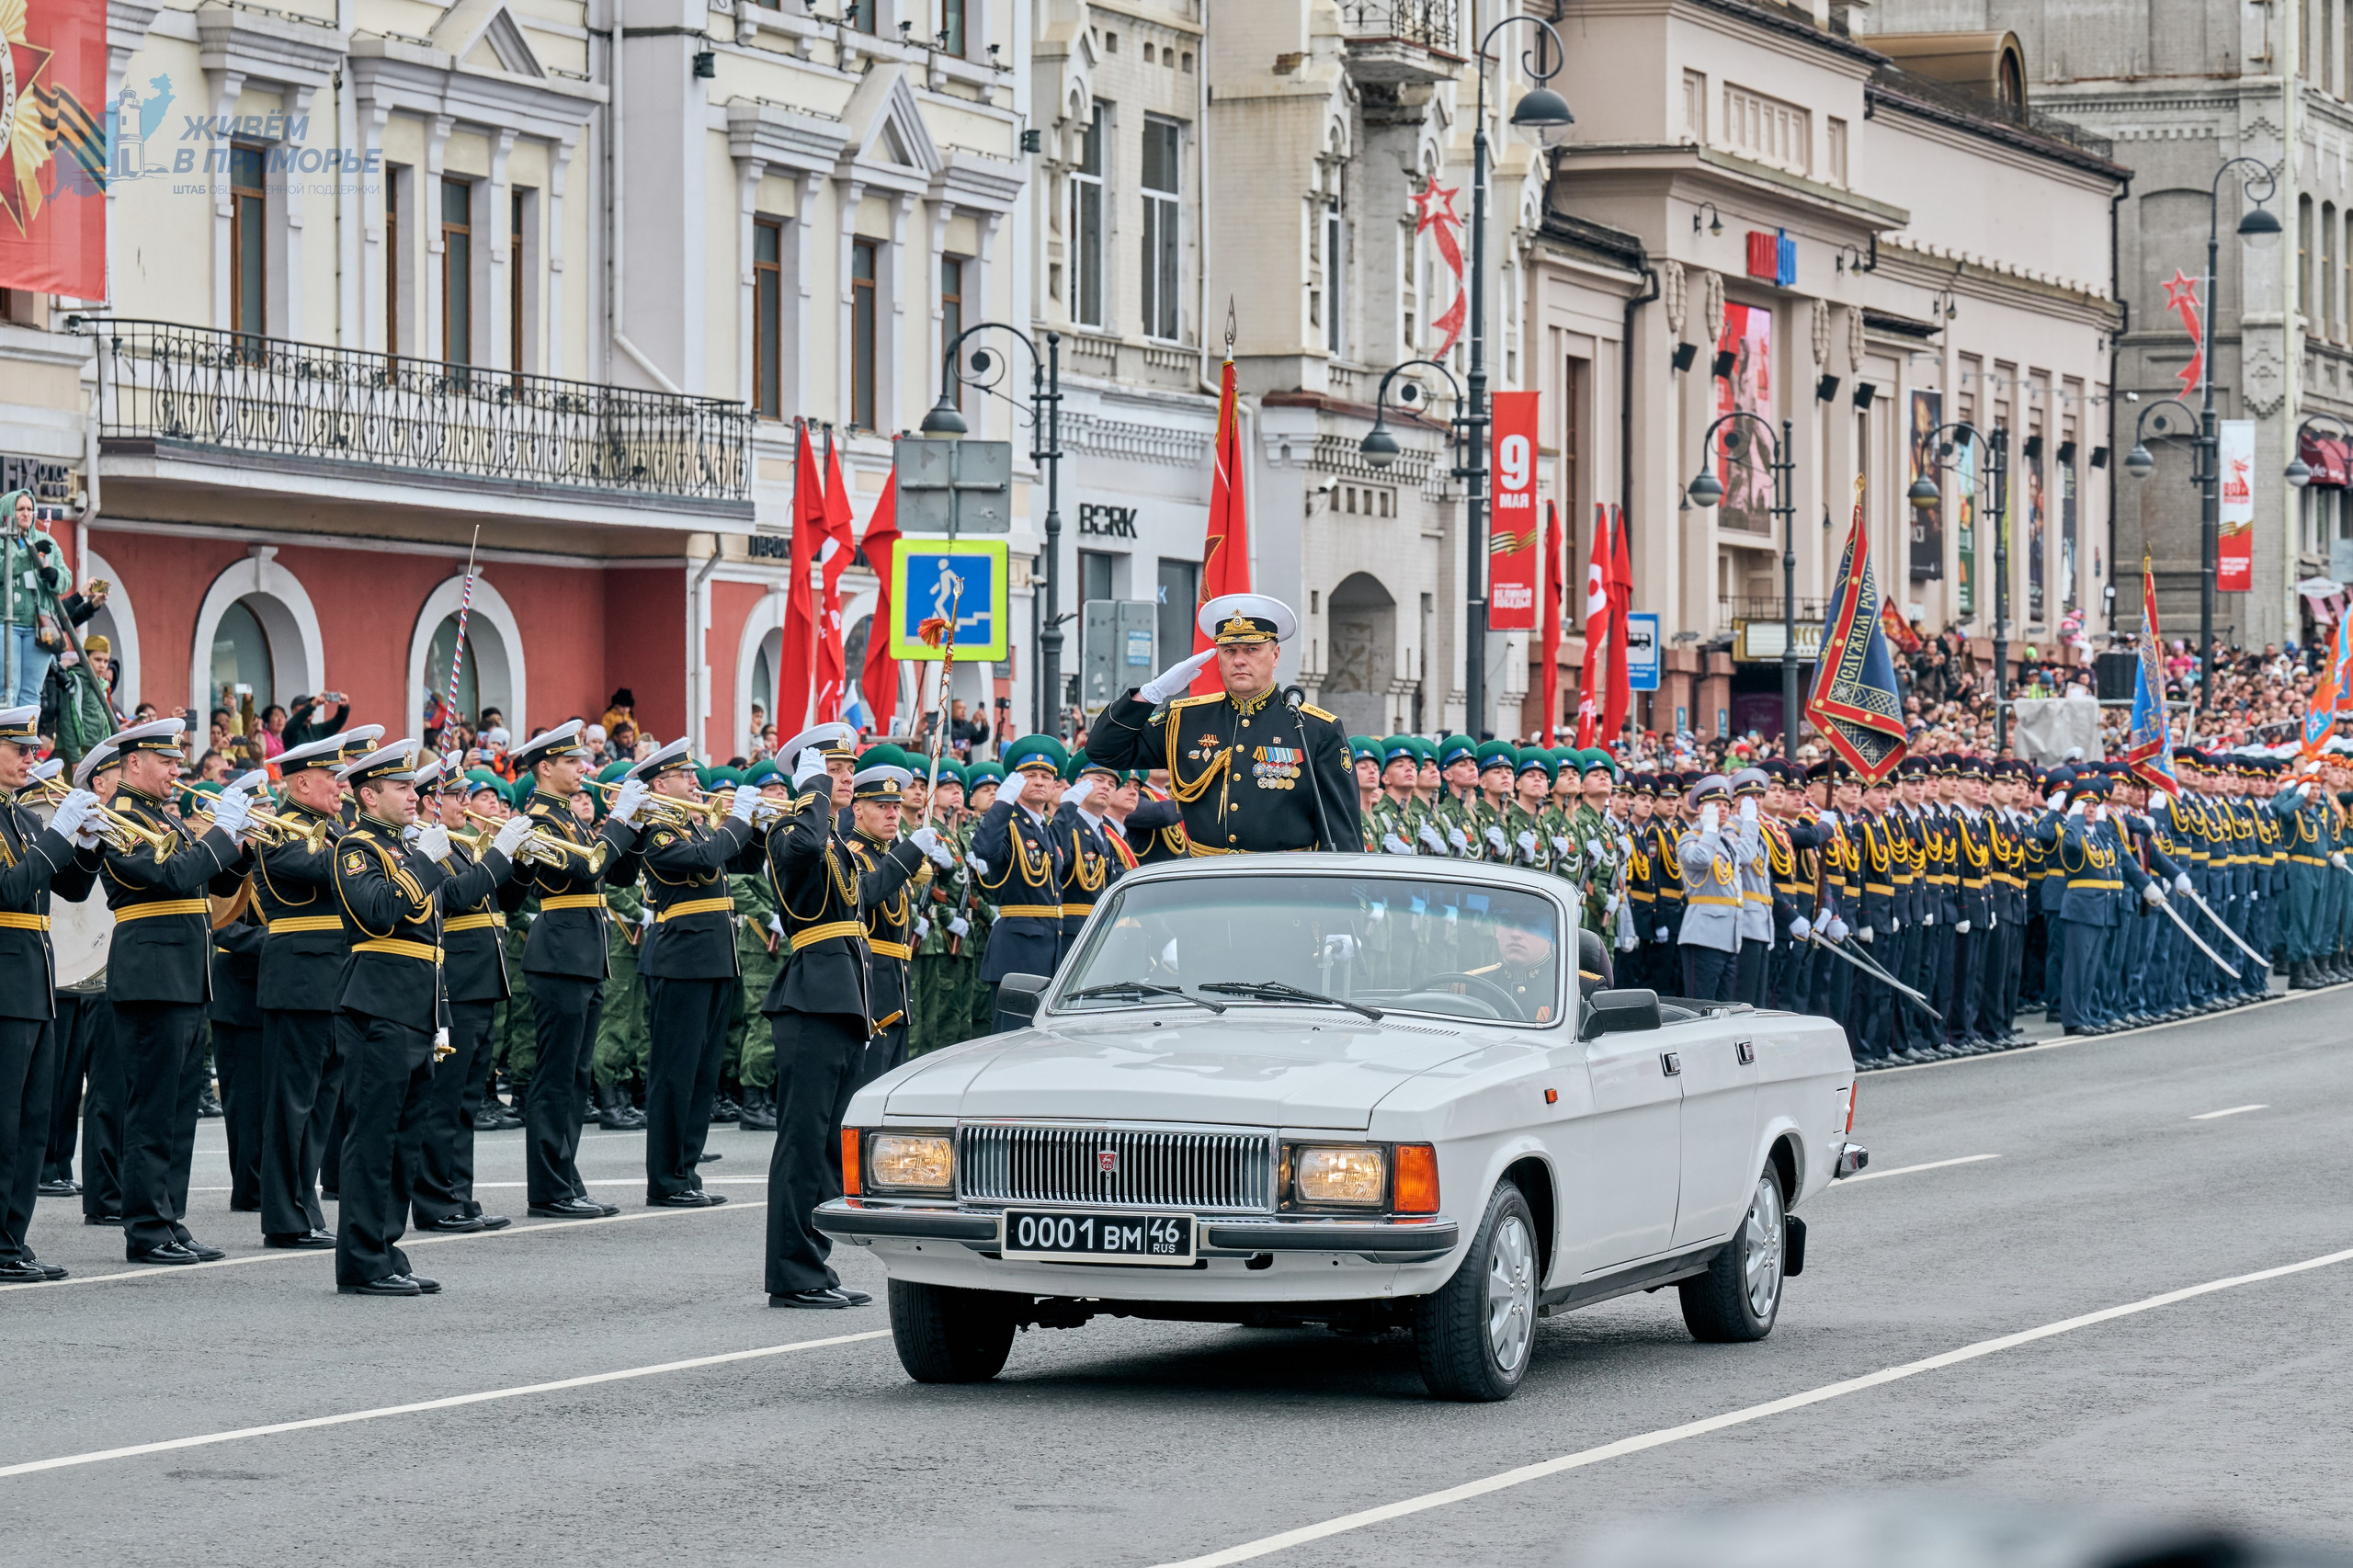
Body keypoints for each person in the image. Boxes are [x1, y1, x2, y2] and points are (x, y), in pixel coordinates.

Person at [759, 722, 922, 1310]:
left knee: (828, 1145)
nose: (846, 778)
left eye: (849, 769)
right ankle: (791, 1274)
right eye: (834, 769)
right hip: (812, 996)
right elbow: (802, 852)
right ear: (808, 775)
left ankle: (814, 1266)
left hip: (844, 996)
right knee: (802, 1143)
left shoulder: (832, 840)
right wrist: (809, 794)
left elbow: (865, 897)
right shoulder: (793, 830)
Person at [96, 719, 259, 1266]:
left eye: (176, 761)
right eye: (165, 761)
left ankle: (168, 1218)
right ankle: (145, 1227)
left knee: (178, 1109)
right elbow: (169, 877)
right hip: (152, 977)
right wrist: (219, 835)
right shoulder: (120, 816)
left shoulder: (163, 817)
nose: (175, 770)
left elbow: (211, 884)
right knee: (151, 1108)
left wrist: (240, 846)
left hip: (184, 976)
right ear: (133, 763)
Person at [1085, 594, 1359, 855]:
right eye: (1229, 651)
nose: (1239, 660)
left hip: (1281, 878)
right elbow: (1103, 750)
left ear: (1275, 655)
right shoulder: (1186, 719)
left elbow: (1342, 834)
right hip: (1205, 876)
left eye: (1252, 649)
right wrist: (1150, 694)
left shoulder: (1314, 728)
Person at [327, 741, 455, 1296]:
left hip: (415, 1003)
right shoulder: (355, 848)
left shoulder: (404, 848)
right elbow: (377, 914)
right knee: (373, 1137)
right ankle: (361, 1261)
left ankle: (385, 1249)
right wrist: (424, 863)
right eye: (401, 788)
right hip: (377, 1003)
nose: (414, 796)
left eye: (413, 787)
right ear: (368, 796)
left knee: (403, 1141)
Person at [509, 721, 650, 1219]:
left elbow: (619, 873)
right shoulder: (539, 821)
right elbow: (585, 867)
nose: (581, 769)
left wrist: (635, 827)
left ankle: (566, 1179)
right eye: (571, 762)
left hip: (584, 955)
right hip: (559, 955)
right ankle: (549, 1188)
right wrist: (618, 822)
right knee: (555, 1075)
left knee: (575, 1075)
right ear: (545, 768)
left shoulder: (569, 816)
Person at [252, 727, 381, 1250]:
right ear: (302, 783)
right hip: (298, 975)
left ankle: (306, 1207)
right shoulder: (279, 828)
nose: (343, 787)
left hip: (334, 975)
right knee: (291, 1105)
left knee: (323, 1105)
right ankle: (285, 1216)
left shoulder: (334, 831)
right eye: (333, 777)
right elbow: (326, 870)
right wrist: (379, 850)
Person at [627, 736, 762, 1208]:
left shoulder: (698, 827)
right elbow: (704, 861)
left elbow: (746, 862)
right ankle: (665, 1179)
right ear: (660, 784)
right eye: (684, 775)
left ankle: (686, 1171)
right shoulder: (659, 832)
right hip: (681, 959)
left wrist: (757, 825)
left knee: (703, 1072)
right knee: (675, 1073)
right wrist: (737, 819)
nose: (694, 780)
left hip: (714, 958)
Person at [0, 707, 103, 1282]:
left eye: (31, 749)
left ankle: (12, 1240)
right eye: (18, 749)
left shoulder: (21, 817)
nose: (30, 758)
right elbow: (10, 889)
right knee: (3, 1123)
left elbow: (70, 887)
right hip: (4, 987)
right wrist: (59, 836)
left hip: (35, 983)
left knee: (31, 1122)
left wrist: (85, 845)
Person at [411, 760, 532, 1233]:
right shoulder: (425, 846)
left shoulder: (462, 845)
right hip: (454, 984)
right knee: (443, 1100)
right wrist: (498, 854)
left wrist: (520, 861)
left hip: (481, 982)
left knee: (466, 1100)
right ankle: (435, 1201)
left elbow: (507, 902)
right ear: (431, 802)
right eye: (458, 795)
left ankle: (459, 1195)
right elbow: (458, 896)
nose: (467, 803)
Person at [841, 752, 949, 1083]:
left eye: (896, 806)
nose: (892, 814)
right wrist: (910, 851)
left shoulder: (886, 857)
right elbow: (867, 895)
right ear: (857, 810)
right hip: (870, 987)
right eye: (881, 806)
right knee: (867, 1085)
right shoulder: (851, 854)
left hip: (897, 988)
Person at [971, 735, 1070, 1028]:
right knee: (1013, 1038)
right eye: (1030, 775)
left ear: (1054, 785)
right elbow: (985, 848)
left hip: (1050, 949)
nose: (1039, 781)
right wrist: (1002, 803)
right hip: (1017, 953)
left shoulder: (1045, 829)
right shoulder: (1010, 823)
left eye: (1046, 776)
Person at [1, 491, 66, 708]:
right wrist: (28, 553)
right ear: (7, 511)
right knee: (7, 691)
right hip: (4, 623)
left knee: (31, 694)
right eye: (20, 509)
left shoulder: (47, 542)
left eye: (30, 509)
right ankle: (7, 732)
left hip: (40, 625)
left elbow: (66, 578)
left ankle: (27, 732)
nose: (26, 514)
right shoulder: (1, 540)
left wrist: (56, 576)